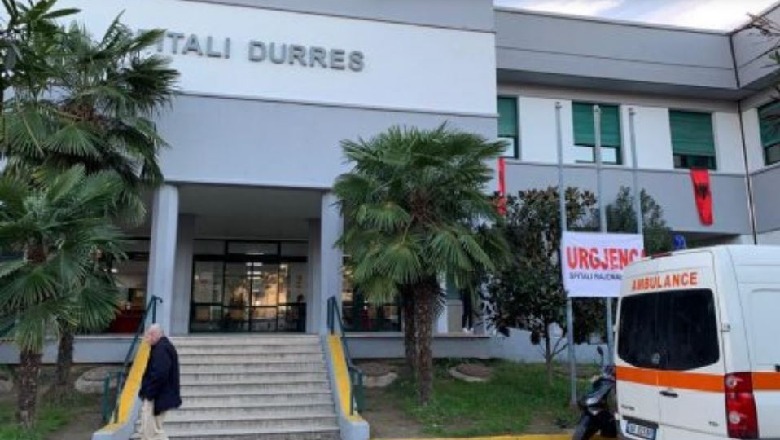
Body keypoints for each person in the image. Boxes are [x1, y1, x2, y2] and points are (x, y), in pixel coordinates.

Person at [138, 324, 181, 440]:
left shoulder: (161, 349)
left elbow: (160, 374)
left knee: (152, 433)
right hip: (159, 396)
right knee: (151, 431)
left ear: (153, 335)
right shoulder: (163, 347)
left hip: (156, 397)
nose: (145, 340)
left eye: (147, 336)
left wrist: (149, 393)